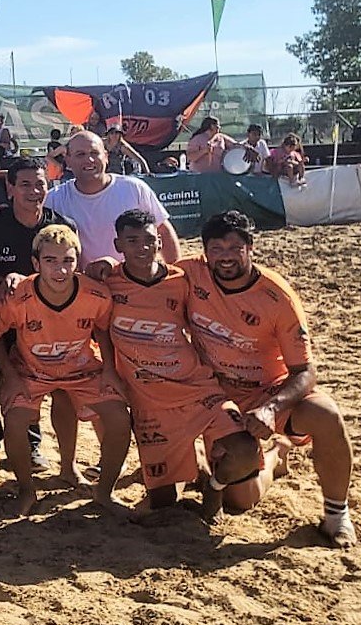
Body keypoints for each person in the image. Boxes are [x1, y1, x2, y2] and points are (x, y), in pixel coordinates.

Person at [182, 211, 356, 547]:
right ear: (205, 252)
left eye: (235, 247)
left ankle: (337, 516)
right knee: (240, 501)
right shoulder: (191, 272)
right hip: (217, 394)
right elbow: (146, 273)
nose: (226, 256)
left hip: (268, 391)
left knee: (327, 415)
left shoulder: (277, 296)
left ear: (250, 247)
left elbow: (306, 371)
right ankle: (276, 454)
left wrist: (271, 409)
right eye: (216, 248)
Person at [103, 209, 260, 520]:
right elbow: (98, 327)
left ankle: (215, 485)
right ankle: (197, 459)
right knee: (163, 504)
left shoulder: (182, 281)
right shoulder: (107, 284)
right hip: (150, 405)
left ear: (160, 241)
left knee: (245, 453)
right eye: (132, 241)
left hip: (197, 390)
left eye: (149, 240)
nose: (142, 248)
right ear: (118, 244)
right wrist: (110, 369)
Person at [0, 225, 132, 517]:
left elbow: (102, 328)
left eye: (68, 261)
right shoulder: (18, 296)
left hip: (81, 369)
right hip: (31, 371)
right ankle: (26, 490)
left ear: (78, 261)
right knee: (15, 421)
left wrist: (110, 370)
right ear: (36, 264)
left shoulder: (96, 294)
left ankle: (104, 492)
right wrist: (10, 377)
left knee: (118, 417)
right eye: (51, 261)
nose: (60, 270)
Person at [0, 157, 78, 481]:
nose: (34, 191)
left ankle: (46, 455)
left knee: (54, 388)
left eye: (40, 184)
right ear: (10, 188)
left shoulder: (60, 227)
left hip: (44, 324)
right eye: (25, 184)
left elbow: (73, 270)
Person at [44, 131, 180, 267]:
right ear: (68, 161)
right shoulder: (54, 199)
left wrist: (176, 272)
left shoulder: (133, 188)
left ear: (106, 157)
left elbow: (162, 228)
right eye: (80, 154)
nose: (89, 160)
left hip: (130, 282)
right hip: (82, 284)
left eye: (94, 153)